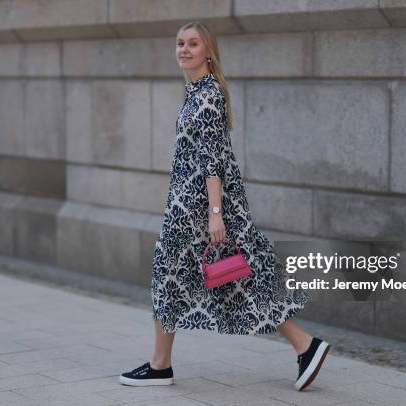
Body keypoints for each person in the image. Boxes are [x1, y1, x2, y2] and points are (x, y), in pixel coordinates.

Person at [119, 21, 330, 392]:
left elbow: (212, 158)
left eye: (193, 44)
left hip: (198, 212)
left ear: (208, 52)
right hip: (189, 208)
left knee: (180, 276)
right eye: (180, 43)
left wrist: (215, 215)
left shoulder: (208, 94)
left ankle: (161, 365)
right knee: (234, 278)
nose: (184, 49)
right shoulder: (197, 92)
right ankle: (304, 345)